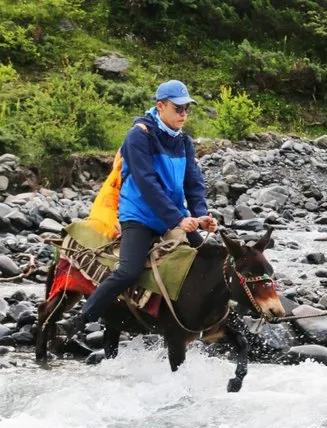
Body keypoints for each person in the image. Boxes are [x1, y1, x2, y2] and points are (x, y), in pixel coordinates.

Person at [61, 80, 217, 338]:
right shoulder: (139, 136)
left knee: (207, 257)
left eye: (187, 108)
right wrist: (178, 218)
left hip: (173, 216)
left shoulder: (184, 142)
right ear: (160, 106)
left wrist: (200, 215)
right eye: (178, 108)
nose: (184, 114)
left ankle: (208, 321)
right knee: (128, 271)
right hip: (140, 216)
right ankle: (80, 319)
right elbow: (147, 184)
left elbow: (194, 182)